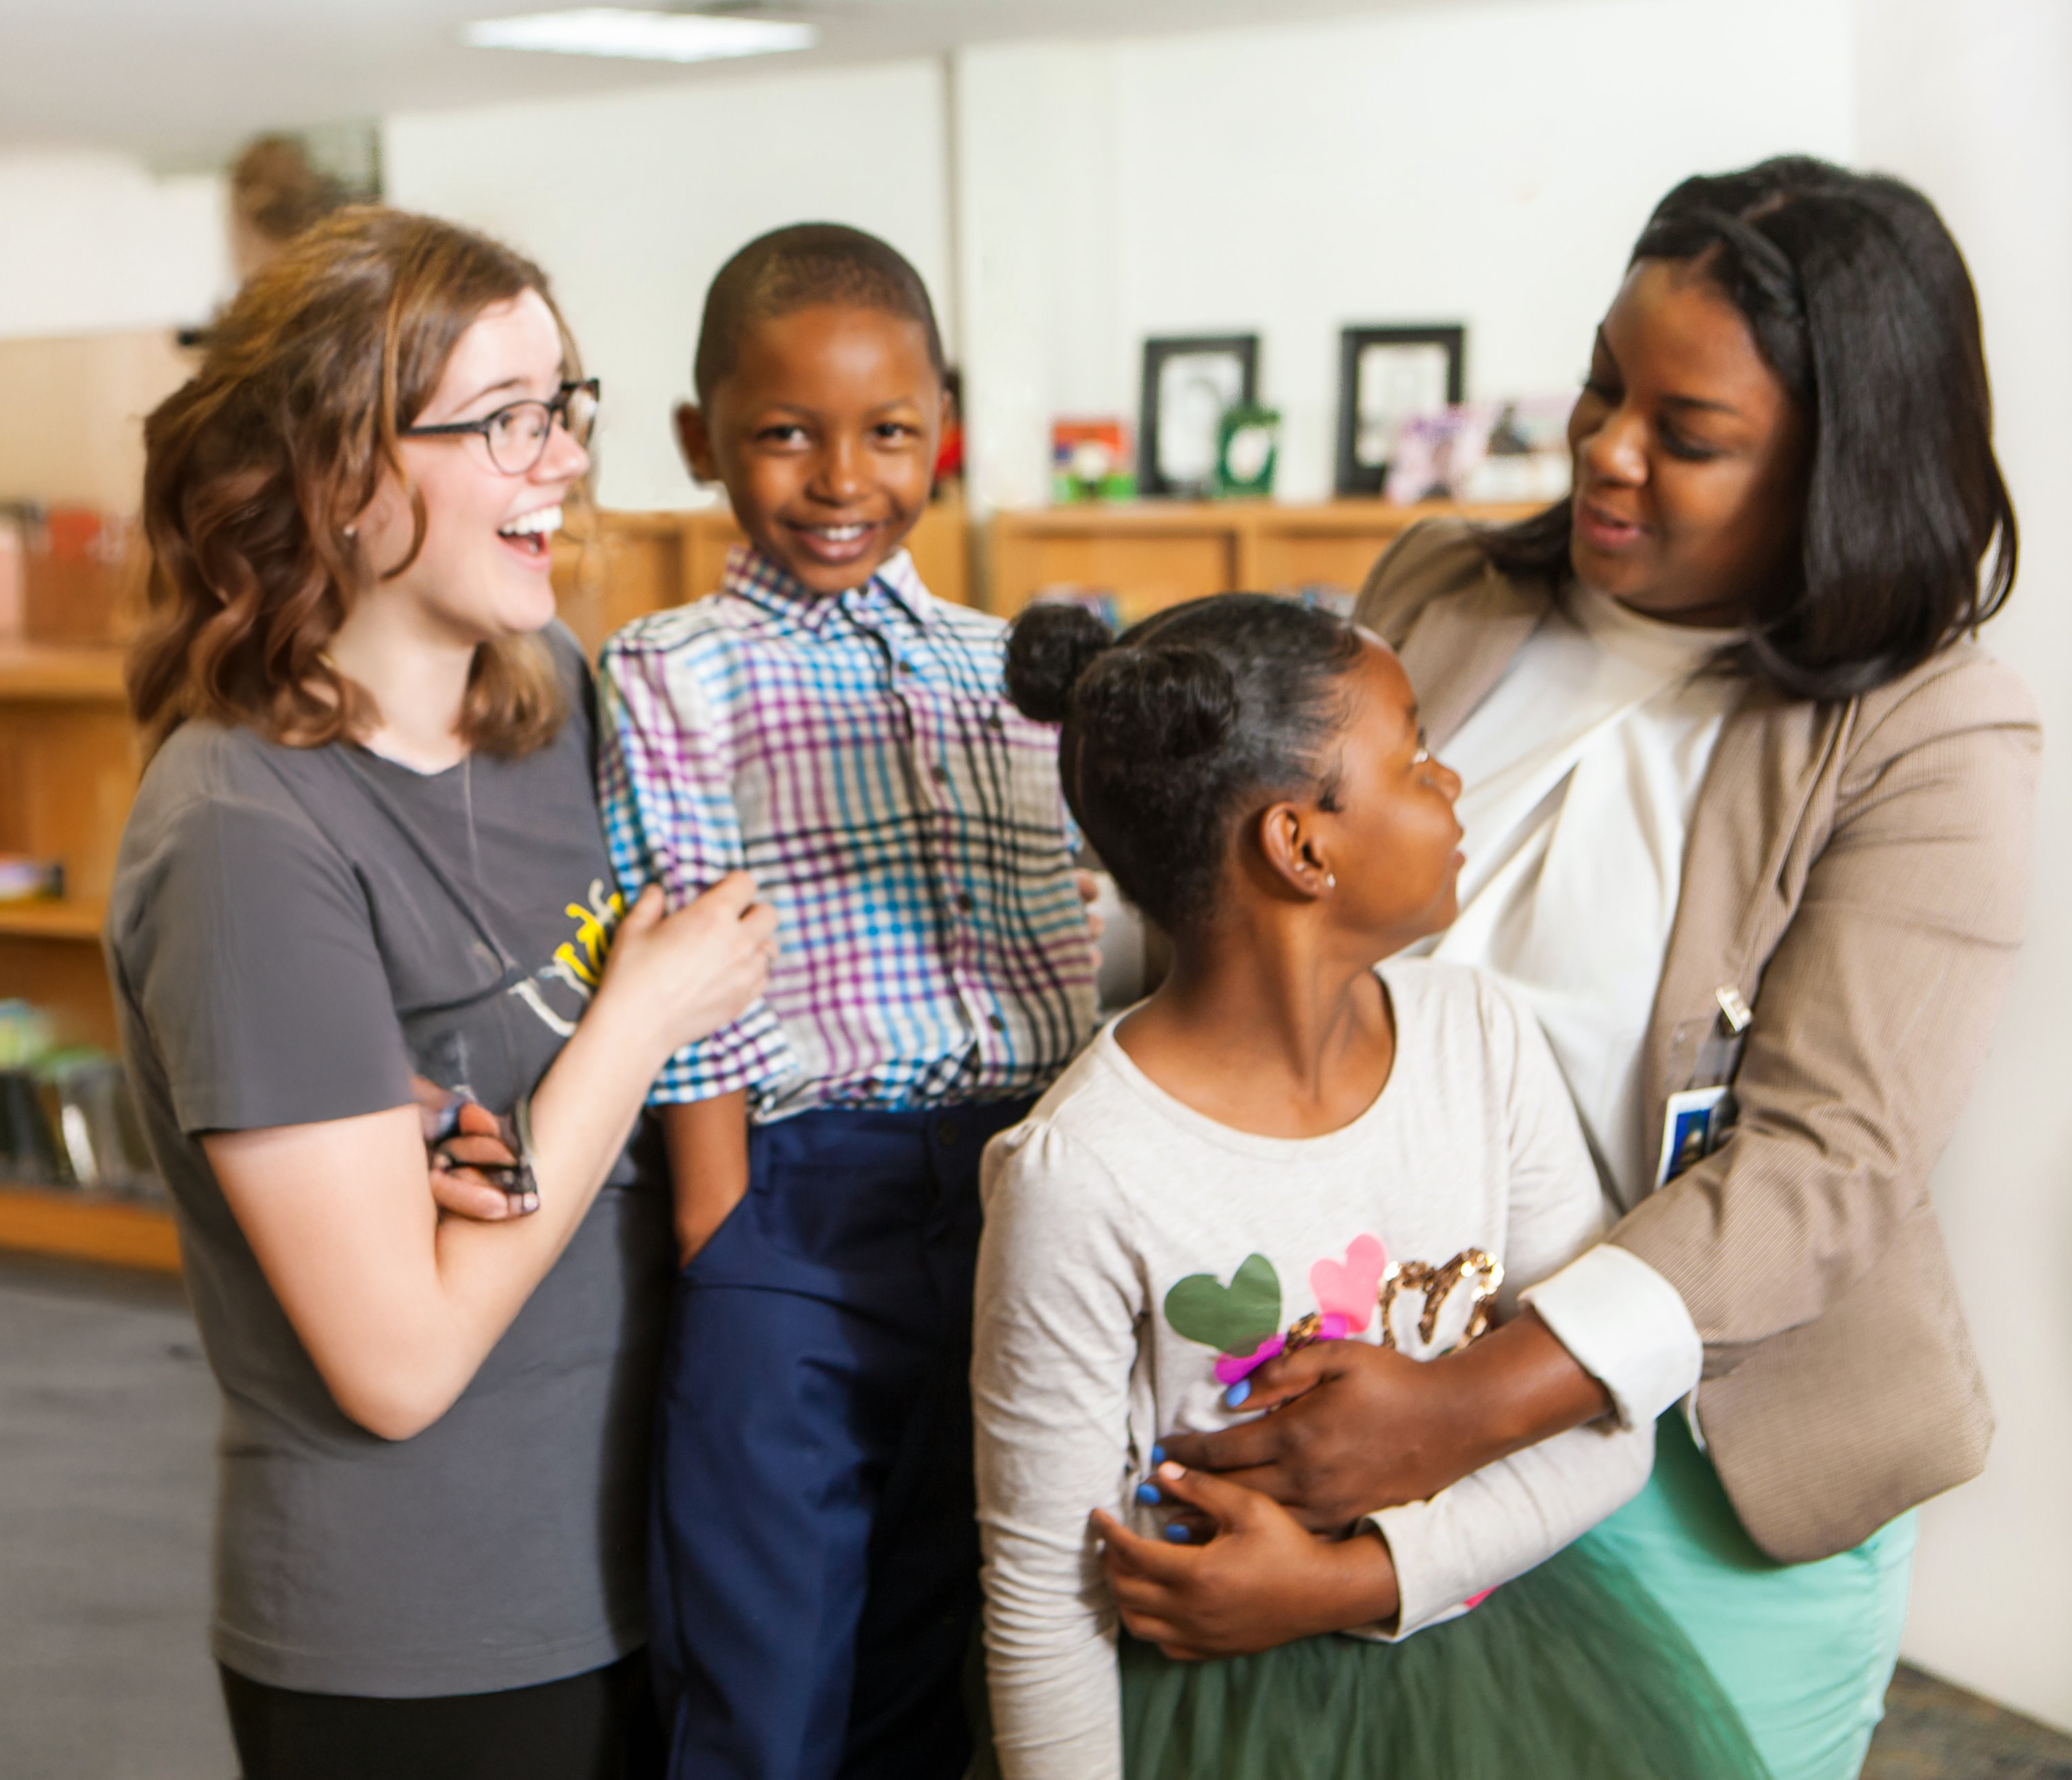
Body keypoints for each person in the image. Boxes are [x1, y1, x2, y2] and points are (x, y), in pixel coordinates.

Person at [1147, 156, 2035, 1780]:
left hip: (1705, 1465)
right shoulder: (1442, 589)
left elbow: (1823, 1165)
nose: (1605, 452)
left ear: (1841, 465)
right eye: (1599, 388)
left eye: (1685, 435)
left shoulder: (1927, 729)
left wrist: (1467, 1404)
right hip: (1376, 1402)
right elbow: (1283, 921)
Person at [109, 205, 778, 1780]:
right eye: (501, 421)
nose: (560, 459)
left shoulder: (568, 709)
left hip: (665, 1565)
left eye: (565, 408)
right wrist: (630, 1024)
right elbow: (395, 1360)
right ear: (337, 474)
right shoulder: (243, 836)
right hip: (424, 1643)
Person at [972, 593, 1767, 1780]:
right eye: (1416, 758)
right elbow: (1045, 1592)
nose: (1451, 787)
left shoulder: (1481, 1038)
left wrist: (1360, 1578)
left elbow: (1608, 1422)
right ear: (1302, 846)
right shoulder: (1078, 1174)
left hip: (1493, 1676)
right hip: (1212, 1722)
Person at [599, 222, 1097, 1780]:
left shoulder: (1008, 667)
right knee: (768, 1670)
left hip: (1023, 1186)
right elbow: (684, 945)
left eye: (887, 433)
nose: (839, 479)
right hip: (792, 1197)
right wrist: (717, 1232)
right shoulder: (668, 672)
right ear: (700, 442)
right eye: (783, 435)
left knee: (942, 1646)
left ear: (939, 432)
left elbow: (1074, 919)